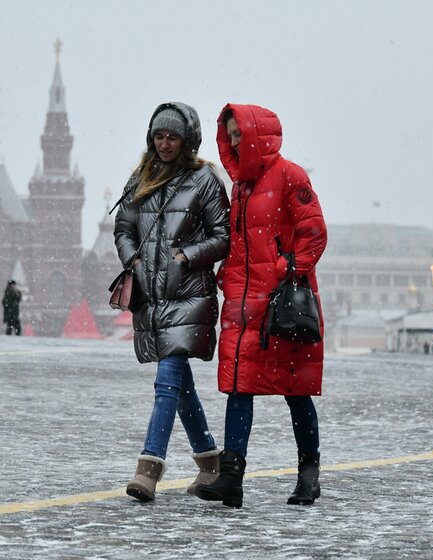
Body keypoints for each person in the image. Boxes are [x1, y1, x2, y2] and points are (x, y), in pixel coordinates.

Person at [194, 104, 328, 509]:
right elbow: (240, 245)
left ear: (258, 135)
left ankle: (309, 476)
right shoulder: (239, 186)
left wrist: (288, 267)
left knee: (295, 390)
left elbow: (314, 232)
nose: (234, 142)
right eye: (230, 135)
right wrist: (227, 279)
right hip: (244, 303)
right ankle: (231, 479)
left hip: (282, 305)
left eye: (239, 134)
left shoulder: (291, 175)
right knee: (240, 386)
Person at [113, 102, 231, 502]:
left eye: (172, 137)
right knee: (179, 386)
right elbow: (124, 227)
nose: (164, 144)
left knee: (167, 382)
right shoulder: (140, 178)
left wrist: (185, 257)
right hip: (150, 295)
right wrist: (133, 259)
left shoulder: (204, 181)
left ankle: (149, 469)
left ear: (187, 140)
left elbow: (223, 236)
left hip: (188, 294)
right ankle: (210, 463)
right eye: (158, 136)